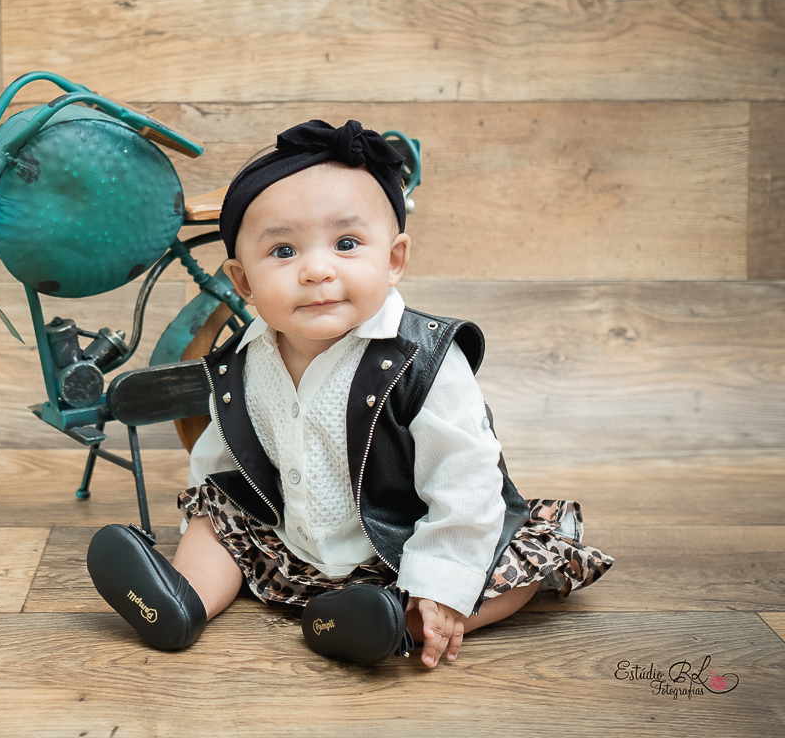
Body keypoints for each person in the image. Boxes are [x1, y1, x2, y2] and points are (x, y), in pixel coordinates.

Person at [86, 119, 614, 668]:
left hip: (408, 542)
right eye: (284, 251)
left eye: (345, 244)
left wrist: (440, 582)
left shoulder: (423, 360)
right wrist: (207, 511)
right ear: (243, 282)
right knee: (215, 516)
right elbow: (226, 450)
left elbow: (466, 479)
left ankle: (393, 623)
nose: (317, 270)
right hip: (289, 538)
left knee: (507, 574)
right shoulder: (246, 357)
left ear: (393, 259)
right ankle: (182, 598)